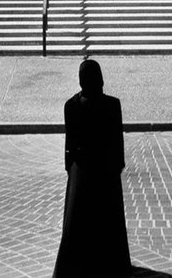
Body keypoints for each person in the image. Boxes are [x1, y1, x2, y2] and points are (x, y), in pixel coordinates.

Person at [52, 58, 132, 277]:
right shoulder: (112, 105)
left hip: (82, 171)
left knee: (77, 223)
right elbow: (117, 142)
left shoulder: (72, 105)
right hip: (105, 169)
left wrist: (71, 169)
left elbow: (70, 145)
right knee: (108, 221)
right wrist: (117, 167)